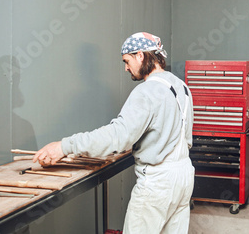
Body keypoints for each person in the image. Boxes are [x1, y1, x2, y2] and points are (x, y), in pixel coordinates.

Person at [33, 32, 195, 234]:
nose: (126, 67)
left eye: (127, 60)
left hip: (158, 183)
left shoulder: (146, 91)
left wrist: (64, 146)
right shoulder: (183, 88)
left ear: (141, 56)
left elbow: (117, 136)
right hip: (184, 177)